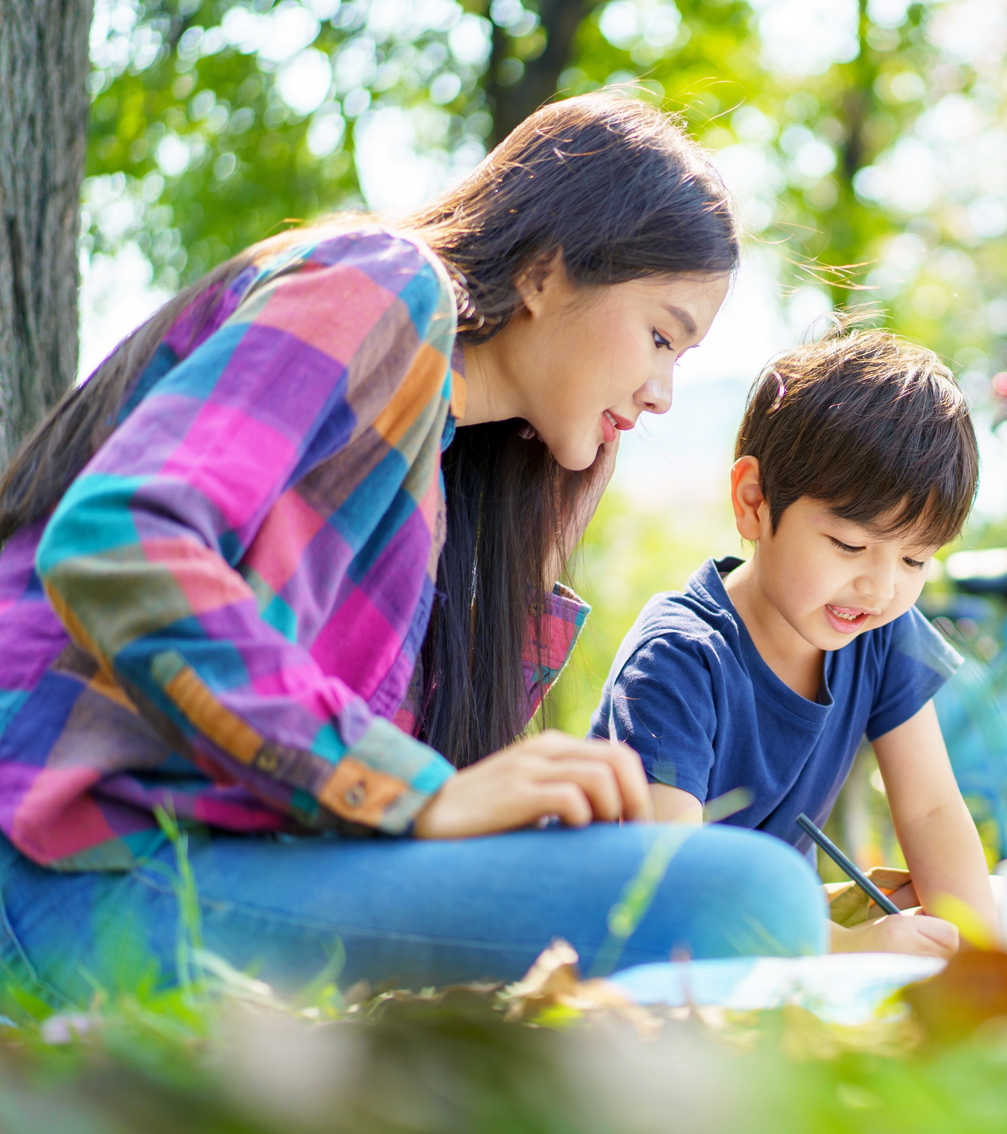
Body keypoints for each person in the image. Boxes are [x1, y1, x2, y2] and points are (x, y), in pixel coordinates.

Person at [0, 92, 827, 1006]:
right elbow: (118, 540)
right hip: (61, 855)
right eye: (661, 334)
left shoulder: (448, 491)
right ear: (547, 272)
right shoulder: (382, 284)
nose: (664, 391)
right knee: (747, 900)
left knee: (735, 893)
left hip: (192, 866)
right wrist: (418, 792)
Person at [590, 330, 996, 957]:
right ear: (754, 503)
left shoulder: (879, 632)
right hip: (646, 962)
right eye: (850, 545)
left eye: (915, 559)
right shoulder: (677, 659)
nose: (881, 586)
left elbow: (932, 813)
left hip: (782, 958)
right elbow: (670, 888)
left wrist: (982, 963)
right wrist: (850, 950)